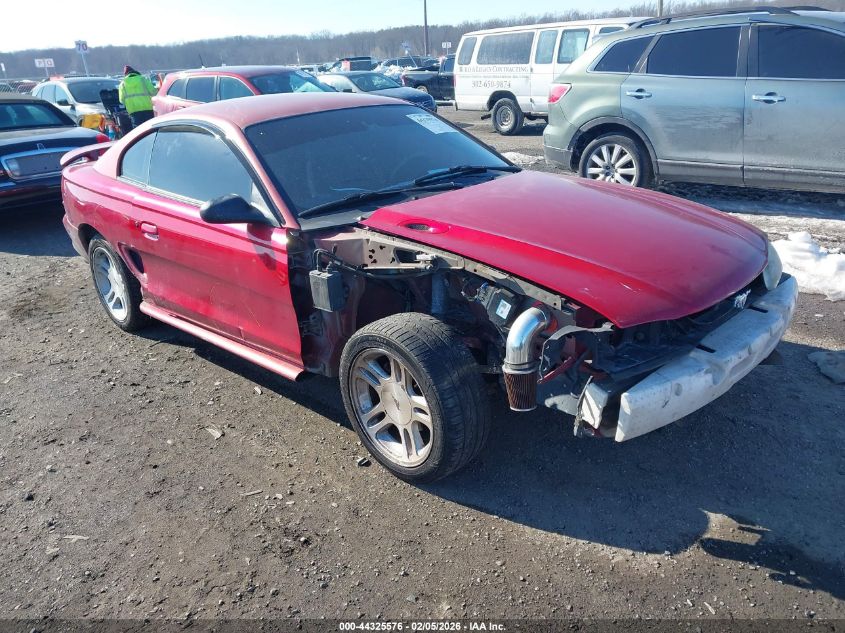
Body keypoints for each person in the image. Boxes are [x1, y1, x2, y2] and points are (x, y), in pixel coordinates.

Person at [118, 65, 156, 130]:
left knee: (138, 131)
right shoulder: (143, 79)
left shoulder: (123, 84)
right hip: (148, 109)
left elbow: (121, 100)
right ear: (134, 72)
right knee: (151, 130)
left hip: (134, 112)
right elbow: (154, 92)